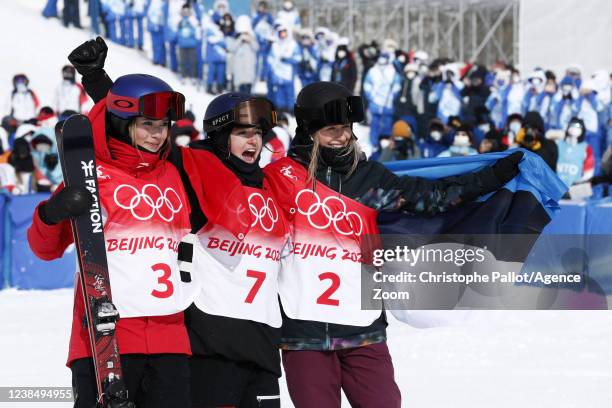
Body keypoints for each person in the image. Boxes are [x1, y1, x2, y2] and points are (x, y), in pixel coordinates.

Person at [263, 81, 523, 408]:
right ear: (309, 131)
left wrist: (491, 177)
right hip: (303, 333)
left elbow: (433, 197)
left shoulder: (370, 178)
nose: (342, 136)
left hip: (363, 328)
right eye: (331, 129)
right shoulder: (279, 178)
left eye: (346, 128)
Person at [68, 36, 289, 408]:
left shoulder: (274, 182)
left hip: (261, 343)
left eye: (259, 134)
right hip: (205, 339)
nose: (253, 142)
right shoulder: (192, 167)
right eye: (242, 133)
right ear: (220, 137)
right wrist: (98, 84)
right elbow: (133, 135)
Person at [28, 72, 193, 407]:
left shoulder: (172, 173)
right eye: (147, 124)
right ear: (123, 122)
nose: (157, 134)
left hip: (170, 339)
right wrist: (50, 214)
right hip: (106, 339)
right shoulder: (91, 174)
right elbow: (44, 249)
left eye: (163, 125)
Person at [363, 50, 402, 146]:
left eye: (384, 58)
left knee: (387, 124)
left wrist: (393, 95)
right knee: (375, 124)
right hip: (375, 102)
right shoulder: (373, 71)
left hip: (388, 102)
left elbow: (397, 85)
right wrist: (371, 96)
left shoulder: (393, 71)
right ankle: (374, 143)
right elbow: (367, 85)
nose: (382, 60)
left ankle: (385, 143)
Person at [266, 23, 299, 114]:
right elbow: (269, 58)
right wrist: (272, 70)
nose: (282, 34)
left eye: (284, 32)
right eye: (280, 32)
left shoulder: (293, 45)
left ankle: (290, 111)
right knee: (278, 94)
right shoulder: (275, 45)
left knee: (289, 93)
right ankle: (281, 112)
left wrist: (288, 60)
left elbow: (298, 58)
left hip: (288, 74)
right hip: (277, 74)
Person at [555, 117, 594, 187]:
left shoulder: (586, 148)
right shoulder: (557, 143)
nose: (574, 128)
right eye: (572, 125)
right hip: (555, 188)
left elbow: (588, 172)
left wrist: (580, 187)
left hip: (573, 190)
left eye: (578, 126)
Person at [227, 16, 259, 94]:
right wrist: (240, 39)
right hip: (239, 69)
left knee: (248, 89)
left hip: (249, 68)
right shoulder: (235, 37)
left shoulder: (252, 37)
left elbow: (256, 48)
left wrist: (250, 40)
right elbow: (231, 48)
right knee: (240, 91)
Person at [176, 4, 201, 82]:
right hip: (182, 44)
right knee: (182, 61)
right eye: (184, 11)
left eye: (187, 11)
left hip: (192, 44)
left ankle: (193, 76)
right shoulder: (179, 21)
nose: (186, 13)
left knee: (193, 61)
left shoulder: (193, 20)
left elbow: (196, 31)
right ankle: (184, 75)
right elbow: (177, 32)